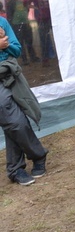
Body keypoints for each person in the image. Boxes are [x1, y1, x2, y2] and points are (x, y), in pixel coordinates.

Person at [0, 16, 47, 186]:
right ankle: (37, 155)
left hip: (9, 74)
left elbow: (17, 50)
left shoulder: (2, 22)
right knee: (14, 122)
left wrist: (6, 45)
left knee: (12, 121)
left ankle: (16, 168)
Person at [25, 0, 55, 66]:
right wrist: (35, 7)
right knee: (44, 40)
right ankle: (45, 60)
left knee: (59, 38)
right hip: (42, 19)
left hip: (54, 18)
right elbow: (25, 2)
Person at [5, 0, 38, 64]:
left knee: (29, 41)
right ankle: (24, 59)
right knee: (20, 42)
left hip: (25, 23)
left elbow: (27, 10)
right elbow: (9, 14)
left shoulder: (23, 1)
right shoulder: (10, 2)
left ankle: (33, 57)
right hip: (16, 24)